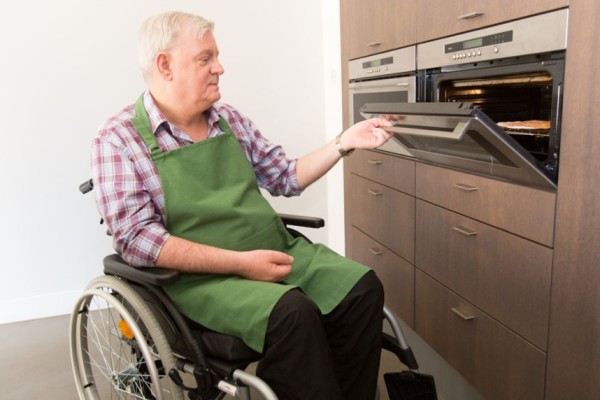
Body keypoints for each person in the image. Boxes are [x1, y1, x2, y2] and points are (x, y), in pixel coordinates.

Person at [91, 11, 393, 400]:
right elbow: (136, 240)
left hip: (272, 253)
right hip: (202, 279)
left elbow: (285, 175)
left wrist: (343, 142)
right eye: (205, 58)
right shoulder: (117, 139)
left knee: (362, 289)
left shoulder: (228, 119)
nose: (220, 67)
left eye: (216, 56)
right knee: (293, 313)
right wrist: (241, 263)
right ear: (164, 64)